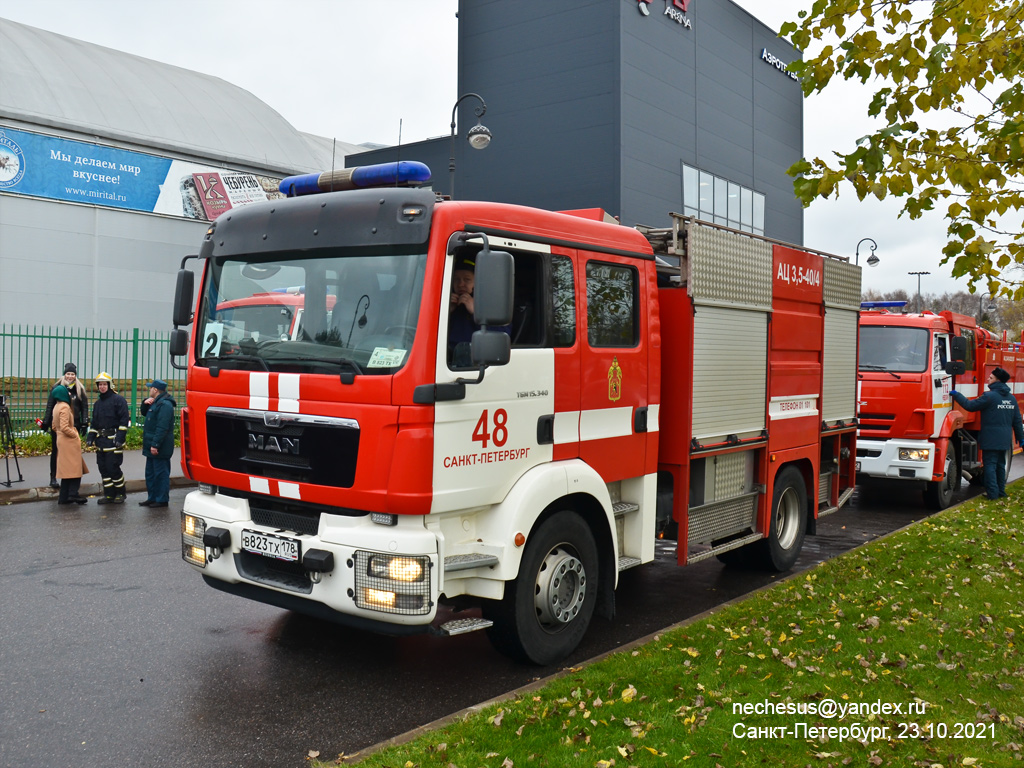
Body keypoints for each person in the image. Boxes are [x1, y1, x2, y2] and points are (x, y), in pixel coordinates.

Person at [951, 367, 1024, 500]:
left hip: (990, 439)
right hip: (1005, 439)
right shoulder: (1011, 399)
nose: (988, 379)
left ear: (997, 380)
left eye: (990, 378)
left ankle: (992, 494)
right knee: (1000, 465)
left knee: (990, 466)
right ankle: (1001, 491)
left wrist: (956, 394)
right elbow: (1017, 421)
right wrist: (1021, 439)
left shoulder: (989, 397)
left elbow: (969, 406)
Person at [447, 255, 511, 367]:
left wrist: (477, 312)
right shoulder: (446, 303)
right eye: (456, 279)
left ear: (477, 282)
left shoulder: (492, 304)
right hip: (446, 359)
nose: (461, 284)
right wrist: (448, 314)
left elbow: (502, 336)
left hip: (474, 363)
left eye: (467, 279)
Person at [41, 362, 88, 489]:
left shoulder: (79, 389)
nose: (70, 376)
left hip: (74, 424)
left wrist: (85, 422)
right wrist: (46, 422)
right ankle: (53, 477)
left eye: (72, 374)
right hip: (59, 426)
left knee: (72, 453)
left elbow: (84, 407)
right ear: (64, 374)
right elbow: (50, 405)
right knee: (56, 451)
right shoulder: (57, 388)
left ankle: (71, 478)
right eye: (68, 373)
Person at [86, 372, 130, 505]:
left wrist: (120, 439)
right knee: (103, 469)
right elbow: (94, 424)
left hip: (113, 441)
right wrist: (90, 437)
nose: (102, 387)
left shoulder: (118, 400)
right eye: (100, 385)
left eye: (105, 384)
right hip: (101, 442)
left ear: (110, 385)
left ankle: (120, 493)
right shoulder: (98, 403)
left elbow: (124, 421)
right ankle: (109, 495)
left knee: (113, 469)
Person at [139, 379, 175, 508]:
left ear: (155, 390)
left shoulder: (165, 405)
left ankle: (161, 499)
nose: (149, 390)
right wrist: (145, 403)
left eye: (150, 388)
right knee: (151, 473)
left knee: (160, 474)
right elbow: (144, 413)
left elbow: (162, 427)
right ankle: (152, 497)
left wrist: (155, 444)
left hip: (160, 447)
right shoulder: (156, 402)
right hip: (151, 445)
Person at [51, 384, 89, 505]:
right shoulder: (65, 407)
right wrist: (75, 434)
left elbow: (54, 426)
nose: (69, 394)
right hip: (69, 442)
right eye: (66, 392)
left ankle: (64, 497)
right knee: (75, 469)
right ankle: (73, 494)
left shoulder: (56, 407)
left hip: (61, 440)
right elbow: (64, 427)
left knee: (67, 470)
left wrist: (60, 434)